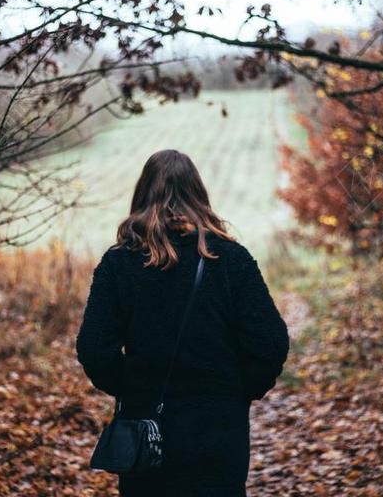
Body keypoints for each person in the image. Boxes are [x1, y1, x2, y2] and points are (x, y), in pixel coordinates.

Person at [76, 149, 290, 497]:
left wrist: (132, 388)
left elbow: (93, 348)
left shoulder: (120, 265)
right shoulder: (231, 261)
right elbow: (270, 342)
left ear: (142, 195)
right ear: (198, 195)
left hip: (146, 437)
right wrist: (237, 392)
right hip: (219, 435)